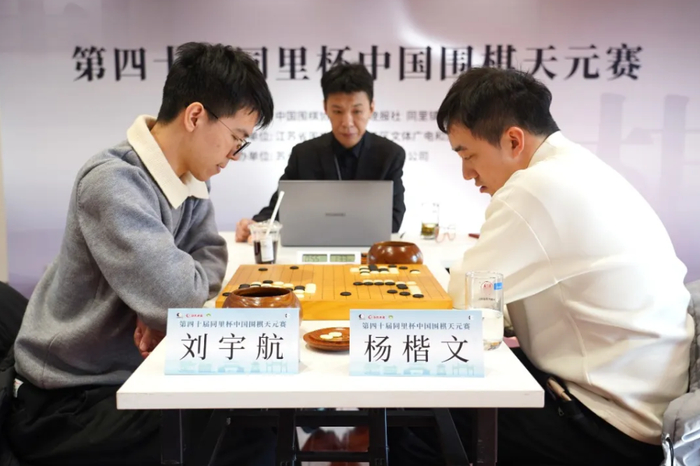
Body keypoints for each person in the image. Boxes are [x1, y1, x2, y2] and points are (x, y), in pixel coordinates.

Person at [388, 67, 693, 466]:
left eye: (467, 154)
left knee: (410, 408)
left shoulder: (536, 187)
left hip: (610, 426)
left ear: (513, 140)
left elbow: (462, 301)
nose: (466, 173)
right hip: (642, 407)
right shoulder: (580, 167)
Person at [5, 42, 277, 466]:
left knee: (259, 417)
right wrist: (160, 305)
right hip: (69, 399)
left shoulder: (190, 178)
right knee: (250, 431)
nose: (235, 155)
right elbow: (179, 297)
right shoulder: (113, 182)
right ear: (195, 116)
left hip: (136, 374)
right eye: (236, 138)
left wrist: (157, 305)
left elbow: (210, 258)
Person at [235, 62, 407, 241]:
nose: (347, 122)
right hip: (314, 249)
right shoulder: (304, 154)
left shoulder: (389, 155)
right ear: (325, 108)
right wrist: (256, 224)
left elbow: (393, 221)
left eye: (357, 111)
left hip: (369, 250)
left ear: (371, 108)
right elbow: (279, 207)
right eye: (338, 111)